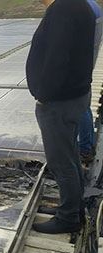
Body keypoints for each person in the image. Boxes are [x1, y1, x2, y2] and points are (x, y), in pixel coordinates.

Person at [26, 0, 95, 234]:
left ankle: (68, 219)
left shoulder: (62, 9)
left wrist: (44, 96)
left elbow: (57, 57)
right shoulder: (79, 4)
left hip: (59, 101)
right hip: (75, 96)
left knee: (61, 162)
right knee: (70, 155)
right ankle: (73, 208)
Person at [77, 0, 103, 163]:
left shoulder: (79, 8)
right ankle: (86, 147)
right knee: (84, 106)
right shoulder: (92, 6)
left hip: (78, 70)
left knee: (80, 108)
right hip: (86, 67)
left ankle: (84, 149)